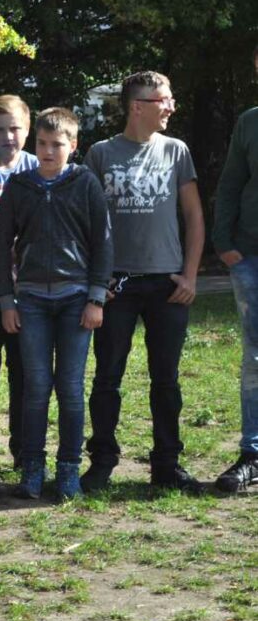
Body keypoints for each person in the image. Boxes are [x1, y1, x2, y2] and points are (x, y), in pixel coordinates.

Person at [82, 71, 206, 494]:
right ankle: (101, 461)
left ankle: (167, 463)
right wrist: (98, 281)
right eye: (163, 100)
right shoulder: (100, 153)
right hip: (117, 285)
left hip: (167, 285)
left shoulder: (177, 151)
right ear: (138, 106)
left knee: (166, 379)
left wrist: (189, 275)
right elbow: (88, 223)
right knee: (107, 378)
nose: (171, 106)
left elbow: (194, 218)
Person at [0, 108, 112, 501]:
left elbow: (103, 244)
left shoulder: (86, 184)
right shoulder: (19, 186)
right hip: (30, 300)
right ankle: (32, 469)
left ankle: (67, 470)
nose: (48, 151)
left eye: (57, 145)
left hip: (76, 298)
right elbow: (0, 246)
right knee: (35, 386)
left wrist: (97, 297)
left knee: (70, 387)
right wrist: (7, 299)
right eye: (42, 144)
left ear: (73, 146)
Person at [0, 95, 39, 470]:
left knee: (26, 374)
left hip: (32, 291)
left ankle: (24, 452)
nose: (8, 136)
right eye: (0, 129)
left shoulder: (40, 168)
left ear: (28, 129)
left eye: (15, 128)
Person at [211, 45, 258, 494]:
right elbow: (229, 184)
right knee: (256, 359)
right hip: (250, 257)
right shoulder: (249, 122)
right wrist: (224, 244)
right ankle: (254, 453)